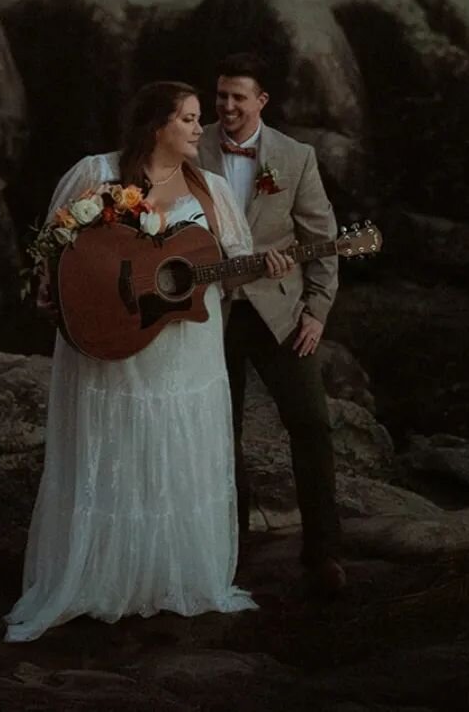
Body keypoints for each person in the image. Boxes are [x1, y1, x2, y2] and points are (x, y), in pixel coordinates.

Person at [4, 79, 288, 641]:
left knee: (172, 449)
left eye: (198, 118)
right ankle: (102, 579)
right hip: (115, 340)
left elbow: (229, 264)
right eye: (187, 118)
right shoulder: (96, 173)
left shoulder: (208, 190)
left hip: (185, 349)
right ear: (156, 124)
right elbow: (56, 252)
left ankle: (166, 576)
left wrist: (265, 266)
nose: (199, 129)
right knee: (117, 446)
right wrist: (54, 288)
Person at [197, 52, 346, 596]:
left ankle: (324, 552)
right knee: (219, 436)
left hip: (280, 313)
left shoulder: (295, 156)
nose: (228, 106)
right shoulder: (191, 143)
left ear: (262, 101)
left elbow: (321, 240)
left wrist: (316, 310)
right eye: (221, 96)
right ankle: (226, 556)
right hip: (207, 312)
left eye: (239, 97)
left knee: (311, 424)